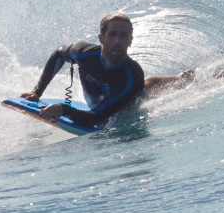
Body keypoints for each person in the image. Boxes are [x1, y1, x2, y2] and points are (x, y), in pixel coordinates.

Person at [21, 12, 193, 128]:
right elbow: (59, 54)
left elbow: (96, 119)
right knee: (144, 85)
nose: (117, 41)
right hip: (120, 91)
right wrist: (37, 91)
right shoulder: (84, 54)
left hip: (128, 107)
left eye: (123, 36)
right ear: (101, 38)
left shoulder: (131, 77)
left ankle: (199, 81)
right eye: (112, 35)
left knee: (142, 90)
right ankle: (181, 77)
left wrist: (63, 109)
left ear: (130, 41)